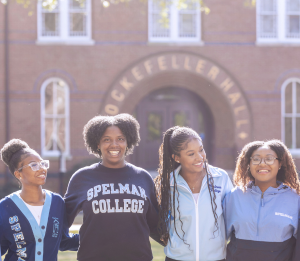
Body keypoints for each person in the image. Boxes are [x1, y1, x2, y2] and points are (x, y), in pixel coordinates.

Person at [64, 113, 160, 261]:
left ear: (128, 142)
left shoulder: (143, 177)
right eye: (106, 139)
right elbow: (60, 222)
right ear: (97, 143)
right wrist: (78, 241)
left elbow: (156, 226)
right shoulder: (82, 178)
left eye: (120, 139)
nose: (114, 144)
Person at [154, 126, 233, 261]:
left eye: (201, 149)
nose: (199, 157)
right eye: (191, 154)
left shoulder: (220, 178)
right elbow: (159, 221)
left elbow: (232, 218)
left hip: (216, 258)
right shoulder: (168, 184)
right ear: (177, 158)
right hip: (177, 258)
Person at [0, 139, 79, 261]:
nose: (42, 168)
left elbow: (63, 240)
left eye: (42, 163)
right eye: (34, 165)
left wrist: (97, 236)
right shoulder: (4, 208)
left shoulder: (57, 203)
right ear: (18, 174)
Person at [223, 140, 300, 261]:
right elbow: (218, 239)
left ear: (280, 164)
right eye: (256, 159)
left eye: (269, 159)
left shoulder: (296, 200)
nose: (262, 164)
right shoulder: (233, 196)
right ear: (249, 163)